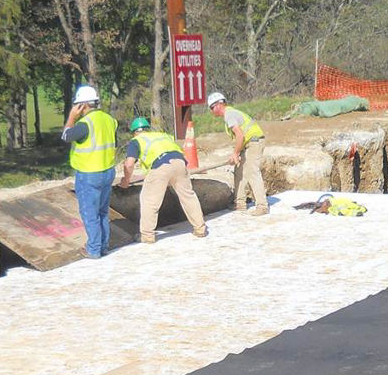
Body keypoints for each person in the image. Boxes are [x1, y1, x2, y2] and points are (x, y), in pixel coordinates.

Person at [118, 117, 208, 245]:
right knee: (188, 196)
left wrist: (126, 181)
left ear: (134, 132)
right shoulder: (162, 135)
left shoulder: (136, 141)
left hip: (160, 166)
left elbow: (129, 164)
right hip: (180, 162)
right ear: (148, 128)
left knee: (149, 200)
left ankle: (147, 235)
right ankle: (200, 228)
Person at [61, 84, 118, 258]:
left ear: (82, 105)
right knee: (102, 211)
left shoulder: (85, 124)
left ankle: (93, 249)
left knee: (89, 213)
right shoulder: (109, 119)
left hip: (89, 173)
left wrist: (71, 117)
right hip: (107, 170)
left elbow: (65, 136)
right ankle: (103, 245)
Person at [207, 92, 267, 216]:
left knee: (252, 171)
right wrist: (238, 152)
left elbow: (240, 135)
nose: (211, 111)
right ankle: (239, 203)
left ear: (218, 105)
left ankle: (262, 206)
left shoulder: (229, 114)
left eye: (211, 108)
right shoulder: (230, 114)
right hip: (248, 144)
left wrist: (235, 153)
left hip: (254, 142)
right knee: (239, 171)